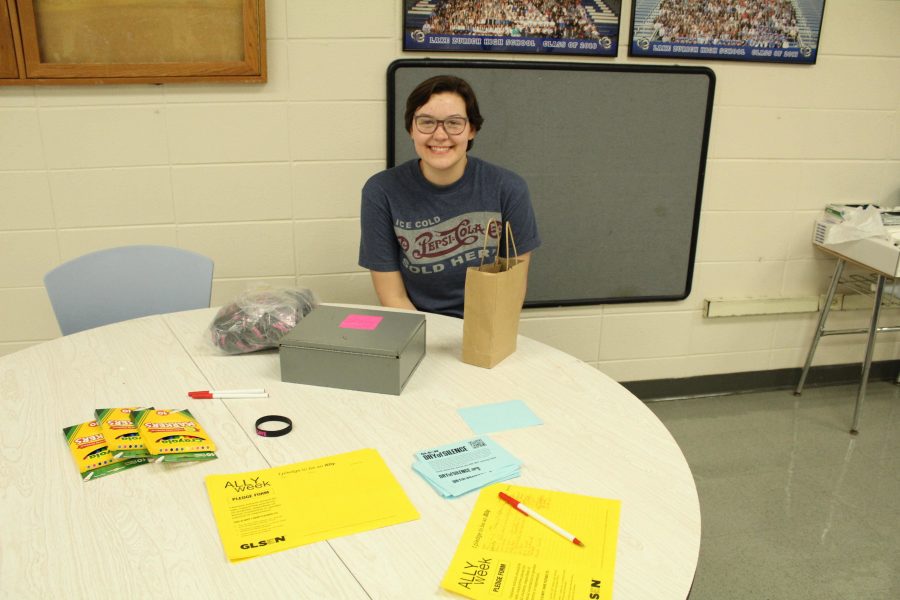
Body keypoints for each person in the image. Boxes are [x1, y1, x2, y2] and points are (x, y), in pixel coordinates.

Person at [358, 74, 541, 318]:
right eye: (426, 122)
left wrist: (479, 343)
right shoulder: (381, 191)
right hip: (416, 329)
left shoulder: (508, 188)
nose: (440, 135)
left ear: (472, 130)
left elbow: (512, 291)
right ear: (411, 129)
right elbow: (393, 297)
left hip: (487, 332)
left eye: (454, 123)